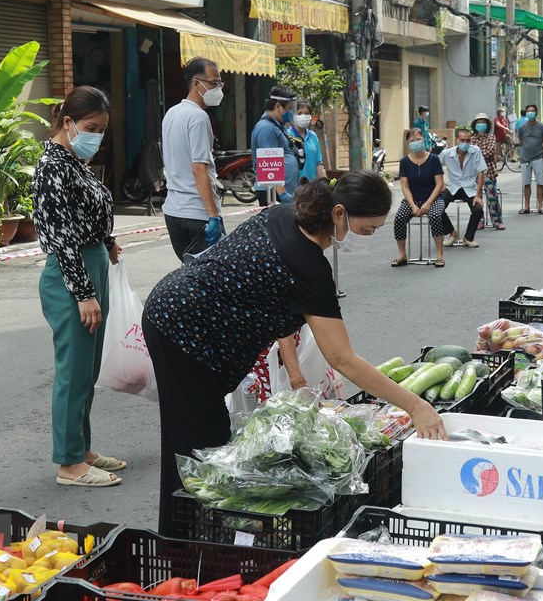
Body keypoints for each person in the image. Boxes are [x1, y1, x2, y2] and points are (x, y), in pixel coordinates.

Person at [143, 172, 447, 531]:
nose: (368, 238)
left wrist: (294, 370)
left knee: (208, 438)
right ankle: (183, 537)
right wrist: (416, 406)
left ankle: (202, 532)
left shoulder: (286, 214)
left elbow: (272, 300)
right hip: (183, 329)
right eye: (367, 229)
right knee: (197, 444)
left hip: (188, 316)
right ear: (338, 213)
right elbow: (342, 358)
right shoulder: (307, 266)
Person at [33, 86, 126, 488]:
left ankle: (82, 448)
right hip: (73, 275)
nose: (97, 136)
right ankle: (69, 463)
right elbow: (61, 236)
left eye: (102, 130)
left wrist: (107, 241)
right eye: (91, 128)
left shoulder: (74, 161)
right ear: (68, 122)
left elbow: (86, 214)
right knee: (73, 371)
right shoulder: (52, 165)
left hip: (92, 264)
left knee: (87, 368)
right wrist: (83, 293)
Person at [162, 57, 225, 261]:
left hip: (173, 211)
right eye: (213, 83)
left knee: (189, 273)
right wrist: (213, 215)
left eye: (220, 84)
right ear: (196, 83)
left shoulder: (171, 113)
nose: (218, 89)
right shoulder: (199, 117)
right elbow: (199, 168)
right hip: (197, 213)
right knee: (211, 275)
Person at [391, 128, 448, 267]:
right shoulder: (404, 161)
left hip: (434, 199)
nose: (415, 142)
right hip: (413, 200)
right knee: (399, 218)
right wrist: (413, 205)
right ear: (407, 143)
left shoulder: (433, 159)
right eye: (412, 140)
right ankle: (402, 254)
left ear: (423, 140)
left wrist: (428, 203)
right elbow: (405, 186)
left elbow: (439, 184)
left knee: (435, 216)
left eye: (418, 139)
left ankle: (439, 254)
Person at [438, 127, 486, 248]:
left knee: (478, 209)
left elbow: (481, 172)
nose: (465, 143)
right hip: (452, 186)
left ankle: (469, 237)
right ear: (457, 140)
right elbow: (435, 167)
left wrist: (478, 195)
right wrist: (441, 183)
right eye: (462, 140)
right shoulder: (447, 153)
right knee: (436, 208)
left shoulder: (476, 151)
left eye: (468, 140)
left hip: (470, 187)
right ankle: (452, 233)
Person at [252, 88, 299, 207]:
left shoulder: (278, 126)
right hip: (272, 193)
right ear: (278, 106)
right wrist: (282, 193)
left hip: (280, 190)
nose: (290, 112)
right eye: (289, 108)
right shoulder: (266, 128)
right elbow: (270, 164)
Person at [470, 113, 505, 230]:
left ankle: (497, 221)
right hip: (474, 174)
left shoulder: (491, 137)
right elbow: (469, 154)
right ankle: (479, 221)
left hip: (488, 172)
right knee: (476, 198)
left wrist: (476, 154)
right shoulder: (471, 139)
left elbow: (489, 152)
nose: (481, 124)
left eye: (483, 122)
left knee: (492, 198)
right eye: (478, 122)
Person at [286, 100, 326, 192]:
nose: (303, 116)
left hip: (311, 189)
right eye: (299, 113)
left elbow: (319, 164)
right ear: (293, 115)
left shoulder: (313, 136)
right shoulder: (287, 136)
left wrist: (325, 185)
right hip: (293, 190)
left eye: (306, 113)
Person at [517, 104, 543, 215]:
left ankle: (540, 206)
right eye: (528, 111)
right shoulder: (522, 128)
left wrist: (541, 151)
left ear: (536, 113)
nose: (530, 113)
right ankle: (527, 206)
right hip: (525, 159)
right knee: (526, 183)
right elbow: (521, 141)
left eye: (532, 111)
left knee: (540, 182)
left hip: (538, 157)